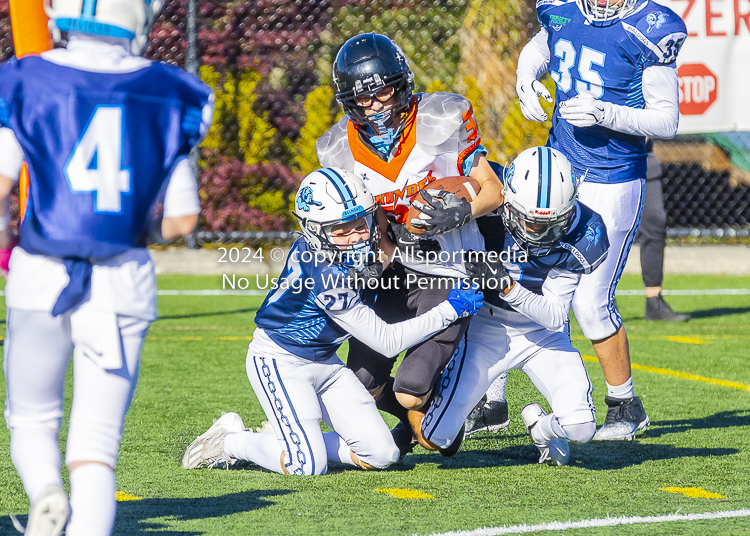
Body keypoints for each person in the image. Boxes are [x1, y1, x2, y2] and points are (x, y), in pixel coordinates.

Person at [0, 1, 212, 534]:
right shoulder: (172, 91)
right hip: (124, 278)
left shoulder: (25, 78)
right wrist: (139, 232)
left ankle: (46, 491)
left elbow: (1, 187)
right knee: (95, 449)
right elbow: (184, 219)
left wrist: (8, 240)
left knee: (31, 418)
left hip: (41, 270)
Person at [182, 168, 483, 476]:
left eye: (360, 224)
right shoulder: (323, 270)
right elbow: (386, 341)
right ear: (315, 231)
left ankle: (286, 439)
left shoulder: (357, 248)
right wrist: (450, 309)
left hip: (325, 361)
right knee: (307, 466)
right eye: (341, 231)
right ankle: (231, 442)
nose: (354, 237)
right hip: (280, 360)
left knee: (383, 454)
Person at [316, 33, 504, 454]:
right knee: (362, 386)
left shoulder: (441, 117)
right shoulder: (337, 148)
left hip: (451, 267)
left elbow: (493, 190)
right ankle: (423, 426)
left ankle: (435, 406)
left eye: (382, 92)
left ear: (400, 83)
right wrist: (369, 266)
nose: (376, 106)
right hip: (398, 270)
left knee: (411, 389)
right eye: (362, 100)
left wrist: (462, 211)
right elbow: (374, 225)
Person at [514, 0, 687, 440]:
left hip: (612, 177)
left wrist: (606, 113)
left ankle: (625, 405)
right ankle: (491, 399)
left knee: (590, 303)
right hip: (561, 166)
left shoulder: (649, 27)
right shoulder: (563, 10)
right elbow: (542, 46)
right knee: (519, 278)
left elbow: (666, 121)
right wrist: (525, 80)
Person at [409, 147, 608, 465]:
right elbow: (452, 156)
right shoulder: (487, 192)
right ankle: (444, 401)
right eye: (528, 219)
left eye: (549, 222)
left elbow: (556, 317)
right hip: (484, 330)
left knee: (581, 426)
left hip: (542, 335)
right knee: (435, 436)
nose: (535, 231)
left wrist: (506, 286)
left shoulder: (585, 230)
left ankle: (541, 431)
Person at [640, 138, 689, 321]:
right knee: (605, 228)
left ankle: (654, 302)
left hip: (642, 156)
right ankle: (603, 299)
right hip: (604, 158)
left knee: (655, 221)